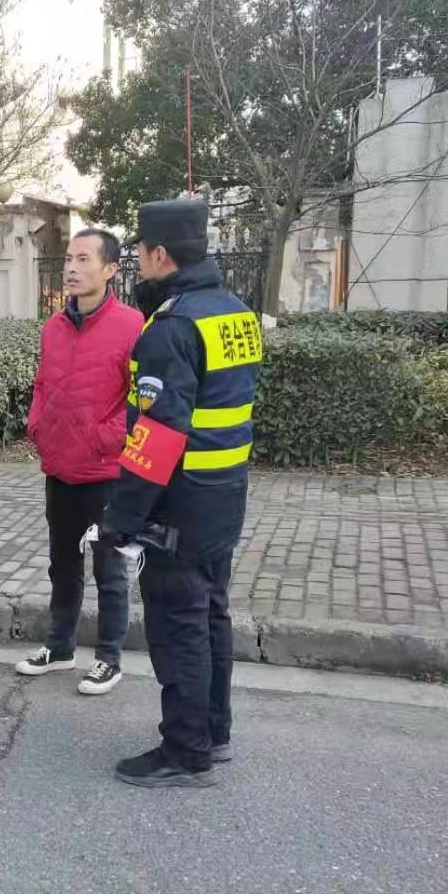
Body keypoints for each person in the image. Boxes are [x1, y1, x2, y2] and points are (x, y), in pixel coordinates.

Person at [100, 199, 262, 788]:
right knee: (211, 612)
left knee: (178, 624)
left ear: (161, 255)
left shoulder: (172, 327)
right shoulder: (235, 313)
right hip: (225, 492)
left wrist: (122, 515)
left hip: (181, 500)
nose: (138, 262)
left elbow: (159, 432)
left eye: (140, 252)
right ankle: (214, 733)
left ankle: (186, 751)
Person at [16, 228, 144, 695]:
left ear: (110, 269)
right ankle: (59, 648)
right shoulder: (53, 326)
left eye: (84, 259)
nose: (71, 267)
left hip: (106, 472)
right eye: (69, 258)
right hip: (60, 467)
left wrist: (101, 439)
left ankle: (109, 658)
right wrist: (38, 427)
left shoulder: (133, 326)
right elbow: (42, 385)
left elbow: (140, 401)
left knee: (109, 571)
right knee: (62, 565)